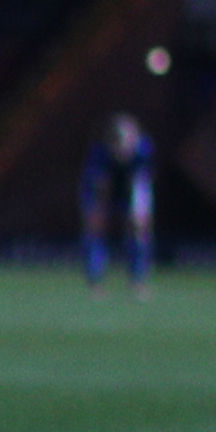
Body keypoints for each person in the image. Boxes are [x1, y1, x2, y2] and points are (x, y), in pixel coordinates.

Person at [81, 112, 155, 297]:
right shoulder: (99, 155)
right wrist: (99, 213)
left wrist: (137, 212)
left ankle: (138, 281)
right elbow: (101, 189)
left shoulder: (143, 151)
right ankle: (95, 282)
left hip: (129, 188)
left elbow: (139, 184)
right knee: (95, 228)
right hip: (104, 189)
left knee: (139, 229)